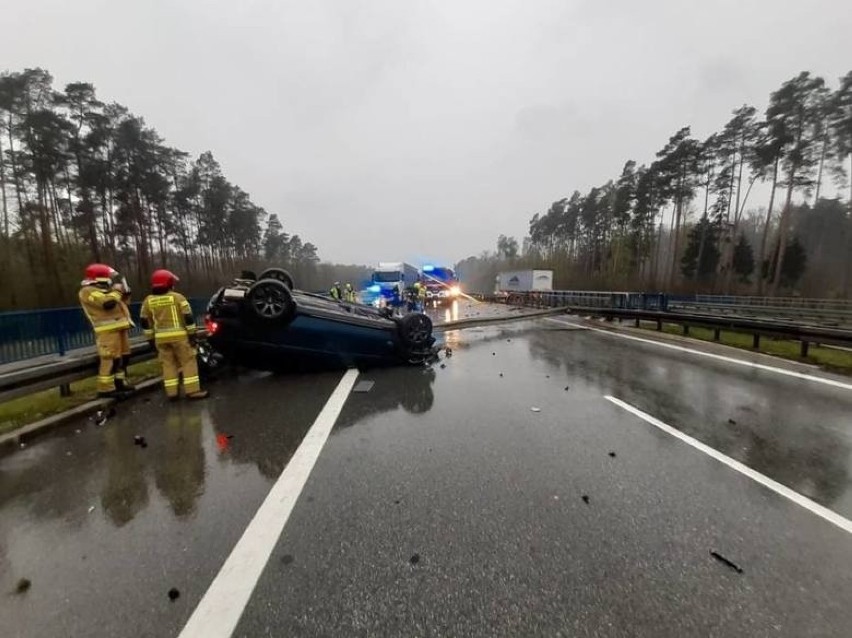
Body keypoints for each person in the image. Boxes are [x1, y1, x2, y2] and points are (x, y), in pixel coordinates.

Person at [140, 269, 208, 401]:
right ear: (169, 283)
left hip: (160, 339)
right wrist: (192, 335)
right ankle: (192, 391)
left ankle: (172, 393)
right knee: (188, 362)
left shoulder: (148, 301)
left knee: (168, 364)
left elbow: (144, 321)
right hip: (180, 338)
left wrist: (150, 339)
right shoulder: (177, 298)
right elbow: (188, 318)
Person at [78, 263, 134, 398]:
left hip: (120, 328)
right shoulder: (87, 291)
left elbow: (121, 304)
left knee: (123, 357)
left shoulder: (107, 290)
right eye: (109, 276)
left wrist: (126, 294)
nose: (110, 279)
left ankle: (119, 382)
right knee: (110, 359)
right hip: (107, 332)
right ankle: (106, 389)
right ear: (101, 277)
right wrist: (117, 291)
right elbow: (106, 304)